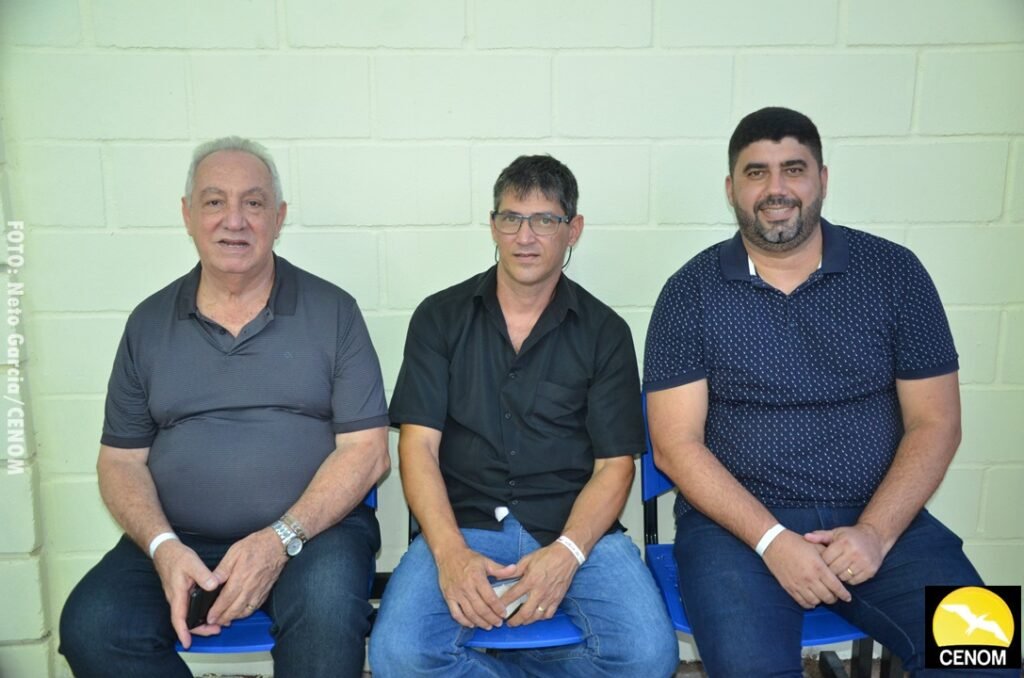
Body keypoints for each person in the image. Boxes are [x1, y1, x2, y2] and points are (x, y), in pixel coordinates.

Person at [644, 107, 1016, 677]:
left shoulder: (896, 273)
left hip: (883, 519)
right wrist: (773, 541)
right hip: (737, 532)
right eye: (756, 172)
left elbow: (937, 423)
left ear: (822, 178)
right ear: (731, 189)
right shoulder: (688, 292)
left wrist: (875, 533)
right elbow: (675, 446)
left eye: (793, 169)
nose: (776, 188)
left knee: (987, 659)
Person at [59, 137, 390, 678]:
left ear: (278, 217)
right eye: (214, 201)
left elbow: (368, 452)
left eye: (253, 203)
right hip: (180, 538)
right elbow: (119, 461)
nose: (234, 220)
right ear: (187, 215)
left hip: (311, 536)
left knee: (327, 615)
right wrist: (163, 546)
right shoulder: (148, 324)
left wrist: (280, 538)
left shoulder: (334, 312)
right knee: (94, 627)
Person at [370, 155, 679, 677]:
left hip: (575, 529)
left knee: (648, 657)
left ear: (573, 230)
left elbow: (615, 468)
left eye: (544, 220)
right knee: (398, 656)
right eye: (511, 218)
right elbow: (417, 447)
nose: (525, 236)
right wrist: (449, 553)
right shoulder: (439, 318)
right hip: (462, 526)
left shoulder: (605, 332)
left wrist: (567, 553)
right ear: (493, 225)